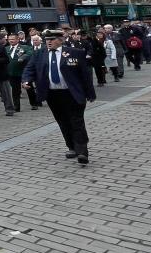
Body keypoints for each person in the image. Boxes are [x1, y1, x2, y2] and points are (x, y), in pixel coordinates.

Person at [22, 30, 96, 166]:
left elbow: (85, 75)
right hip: (53, 95)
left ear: (61, 40)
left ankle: (82, 151)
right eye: (47, 39)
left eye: (52, 39)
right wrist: (26, 80)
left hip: (72, 93)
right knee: (63, 121)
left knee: (77, 121)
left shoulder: (75, 53)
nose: (48, 42)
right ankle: (71, 147)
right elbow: (30, 68)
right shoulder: (39, 54)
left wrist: (90, 93)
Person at [6, 34, 33, 112]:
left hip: (23, 72)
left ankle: (34, 103)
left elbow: (30, 53)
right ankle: (16, 107)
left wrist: (23, 57)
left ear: (18, 40)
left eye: (13, 39)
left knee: (29, 88)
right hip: (12, 73)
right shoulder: (6, 48)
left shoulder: (24, 47)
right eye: (9, 39)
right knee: (15, 90)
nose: (11, 41)